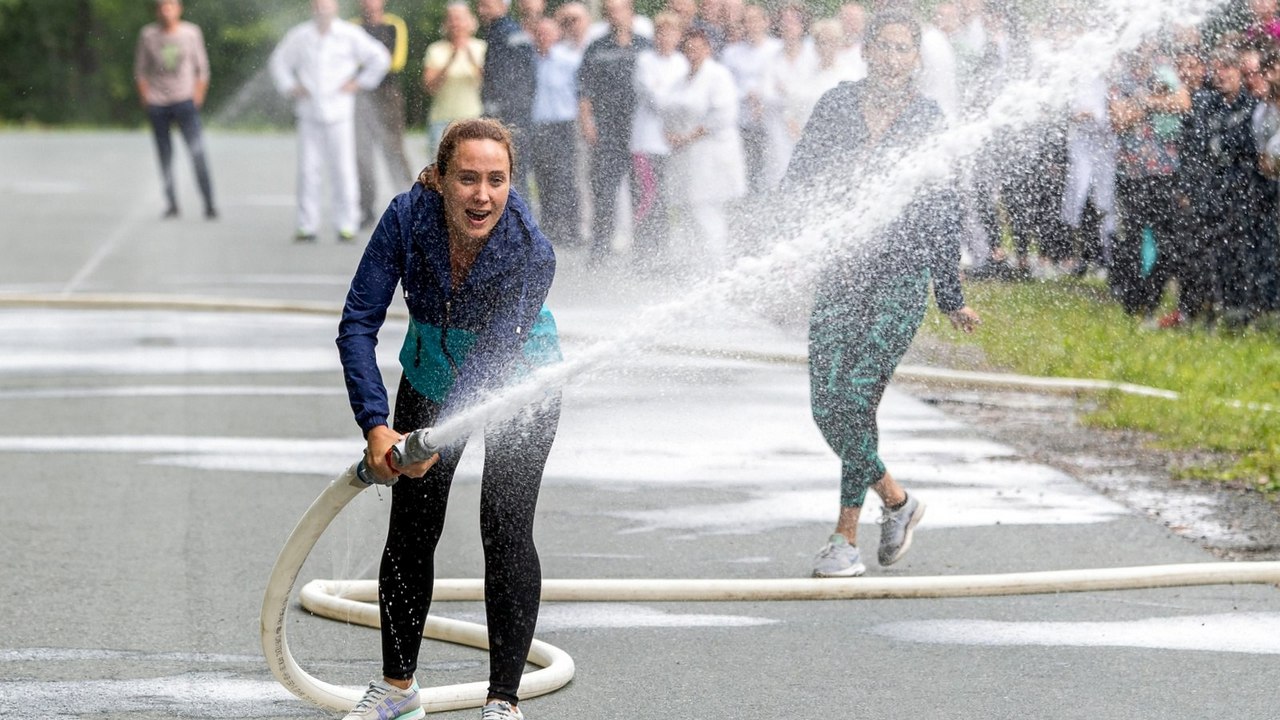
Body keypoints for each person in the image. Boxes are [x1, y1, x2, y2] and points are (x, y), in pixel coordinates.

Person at [335, 118, 563, 720]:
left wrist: (443, 431)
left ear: (512, 184)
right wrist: (376, 425)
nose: (482, 194)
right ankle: (397, 688)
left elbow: (494, 357)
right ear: (438, 179)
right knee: (412, 527)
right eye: (466, 178)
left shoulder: (530, 250)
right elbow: (357, 323)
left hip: (519, 383)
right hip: (433, 370)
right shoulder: (406, 218)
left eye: (496, 180)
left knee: (504, 527)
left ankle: (503, 701)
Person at [779, 8, 980, 578]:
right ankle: (897, 499)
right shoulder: (836, 105)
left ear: (916, 59)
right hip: (842, 271)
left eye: (903, 49)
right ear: (866, 50)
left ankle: (844, 538)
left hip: (901, 278)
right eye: (884, 47)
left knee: (857, 399)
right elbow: (800, 180)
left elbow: (943, 209)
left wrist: (949, 294)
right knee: (826, 403)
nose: (892, 58)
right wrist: (787, 248)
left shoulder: (928, 120)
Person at [269, 0, 391, 243]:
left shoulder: (348, 34)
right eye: (317, 5)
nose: (322, 9)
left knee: (343, 169)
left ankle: (347, 224)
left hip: (340, 113)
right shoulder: (300, 35)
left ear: (335, 7)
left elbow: (380, 57)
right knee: (308, 170)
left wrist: (359, 83)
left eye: (326, 5)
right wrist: (291, 86)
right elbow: (278, 62)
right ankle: (307, 225)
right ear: (312, 8)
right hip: (308, 113)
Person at [659, 27, 746, 269]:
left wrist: (688, 136)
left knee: (705, 211)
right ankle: (694, 266)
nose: (693, 53)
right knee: (686, 211)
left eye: (698, 48)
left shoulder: (718, 76)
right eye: (688, 49)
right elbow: (668, 110)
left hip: (711, 155)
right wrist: (669, 134)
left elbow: (724, 115)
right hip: (685, 156)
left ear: (708, 49)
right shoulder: (680, 80)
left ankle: (717, 267)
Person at [578, 0, 653, 264]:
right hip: (606, 131)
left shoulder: (646, 45)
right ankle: (600, 250)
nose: (615, 15)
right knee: (604, 190)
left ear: (631, 12)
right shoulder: (596, 47)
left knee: (641, 192)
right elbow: (584, 90)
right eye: (610, 11)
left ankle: (644, 250)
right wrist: (587, 121)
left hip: (639, 133)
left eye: (620, 9)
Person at [133, 0, 217, 220]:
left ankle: (209, 202)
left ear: (179, 9)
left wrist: (197, 96)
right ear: (156, 11)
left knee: (196, 152)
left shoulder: (191, 33)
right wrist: (146, 99)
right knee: (165, 155)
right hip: (158, 102)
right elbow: (140, 71)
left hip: (185, 100)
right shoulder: (148, 35)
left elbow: (202, 69)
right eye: (161, 6)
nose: (166, 11)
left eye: (170, 6)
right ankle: (171, 203)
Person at [631, 12, 689, 266]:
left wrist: (672, 99)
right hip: (646, 142)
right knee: (646, 197)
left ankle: (663, 253)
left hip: (673, 144)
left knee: (667, 199)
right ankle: (643, 252)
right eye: (661, 33)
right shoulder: (645, 59)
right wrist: (673, 100)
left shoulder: (683, 63)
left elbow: (682, 100)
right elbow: (654, 98)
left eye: (671, 33)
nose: (666, 38)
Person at [355, 0, 415, 229]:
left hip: (388, 95)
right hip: (360, 97)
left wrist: (367, 63)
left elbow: (395, 61)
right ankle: (366, 210)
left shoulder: (394, 25)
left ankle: (409, 205)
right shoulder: (353, 27)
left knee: (394, 149)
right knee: (362, 154)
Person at [529, 16, 583, 247]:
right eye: (539, 33)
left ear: (557, 35)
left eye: (547, 33)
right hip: (538, 126)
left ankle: (572, 229)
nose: (543, 38)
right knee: (543, 177)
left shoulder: (568, 60)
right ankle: (550, 229)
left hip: (563, 125)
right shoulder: (529, 60)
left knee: (566, 177)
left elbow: (581, 93)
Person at [477, 0, 536, 197]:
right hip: (514, 113)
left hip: (510, 116)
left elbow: (514, 77)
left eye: (486, 5)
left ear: (503, 6)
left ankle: (519, 225)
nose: (480, 10)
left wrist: (496, 109)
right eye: (479, 5)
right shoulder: (503, 30)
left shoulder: (504, 32)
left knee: (511, 176)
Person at [423, 1, 487, 157]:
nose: (455, 23)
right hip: (441, 120)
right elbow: (429, 87)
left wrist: (471, 58)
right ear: (446, 23)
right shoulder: (435, 49)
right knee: (439, 169)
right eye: (451, 18)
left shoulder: (482, 47)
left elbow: (489, 84)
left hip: (473, 118)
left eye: (460, 18)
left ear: (470, 21)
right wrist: (450, 60)